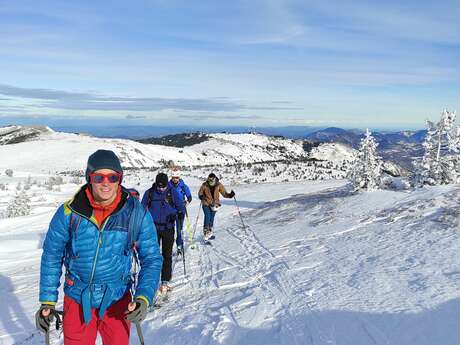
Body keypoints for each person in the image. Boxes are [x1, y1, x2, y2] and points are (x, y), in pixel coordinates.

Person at [35, 149, 163, 345]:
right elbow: (52, 255)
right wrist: (47, 300)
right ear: (89, 178)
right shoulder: (69, 213)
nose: (106, 182)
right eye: (98, 176)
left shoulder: (136, 214)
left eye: (112, 177)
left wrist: (143, 297)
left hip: (117, 301)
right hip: (77, 299)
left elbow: (152, 258)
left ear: (119, 179)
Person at [141, 172, 186, 293]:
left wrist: (180, 213)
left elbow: (181, 207)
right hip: (153, 229)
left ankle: (165, 280)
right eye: (159, 186)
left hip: (168, 228)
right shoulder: (149, 193)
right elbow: (142, 208)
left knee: (167, 255)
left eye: (163, 186)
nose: (161, 189)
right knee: (152, 256)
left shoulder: (173, 193)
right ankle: (151, 281)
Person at [198, 173, 235, 240]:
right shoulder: (204, 185)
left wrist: (230, 195)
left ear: (215, 179)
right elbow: (200, 193)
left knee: (212, 217)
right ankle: (206, 231)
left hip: (215, 205)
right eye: (209, 179)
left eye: (212, 179)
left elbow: (224, 193)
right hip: (206, 203)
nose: (210, 181)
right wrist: (201, 196)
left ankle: (210, 232)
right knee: (207, 215)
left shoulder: (219, 185)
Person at [168, 167, 192, 255]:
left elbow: (189, 197)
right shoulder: (167, 186)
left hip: (180, 211)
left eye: (176, 177)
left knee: (179, 230)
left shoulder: (183, 186)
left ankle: (179, 246)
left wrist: (186, 202)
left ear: (179, 177)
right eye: (173, 177)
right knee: (170, 231)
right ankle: (168, 247)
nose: (175, 179)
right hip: (170, 211)